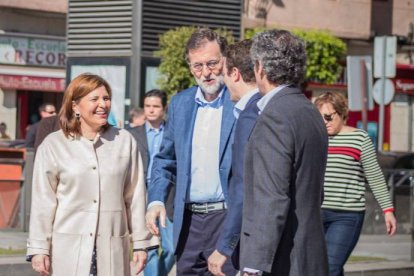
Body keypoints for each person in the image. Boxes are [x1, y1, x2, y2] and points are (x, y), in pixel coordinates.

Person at [27, 73, 158, 276]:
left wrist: (141, 243)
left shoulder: (124, 141)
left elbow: (135, 196)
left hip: (111, 246)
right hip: (67, 249)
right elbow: (43, 202)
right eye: (94, 99)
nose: (103, 104)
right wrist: (39, 249)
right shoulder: (54, 145)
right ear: (75, 106)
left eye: (106, 98)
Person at [145, 28, 237, 275]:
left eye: (212, 63)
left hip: (226, 219)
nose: (205, 73)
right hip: (188, 222)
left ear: (225, 61)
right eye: (197, 66)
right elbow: (165, 159)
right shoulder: (180, 103)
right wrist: (156, 199)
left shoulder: (239, 101)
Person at [240, 29, 329, 275]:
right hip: (309, 254)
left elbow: (272, 197)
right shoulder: (309, 111)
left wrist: (253, 266)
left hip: (282, 259)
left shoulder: (275, 116)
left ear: (260, 67)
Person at [314, 91, 397, 276]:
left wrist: (388, 210)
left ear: (342, 114)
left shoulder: (359, 139)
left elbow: (374, 176)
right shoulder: (316, 138)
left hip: (346, 215)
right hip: (315, 214)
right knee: (320, 267)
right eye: (320, 118)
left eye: (329, 117)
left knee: (330, 267)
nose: (324, 122)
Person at [207, 39, 260, 276]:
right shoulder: (287, 107)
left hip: (255, 241)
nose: (223, 81)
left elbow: (243, 187)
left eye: (224, 74)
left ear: (235, 73)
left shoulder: (250, 115)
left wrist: (225, 246)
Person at [128, 89, 175, 276]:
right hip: (141, 194)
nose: (151, 110)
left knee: (171, 247)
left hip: (167, 194)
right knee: (150, 248)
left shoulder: (173, 132)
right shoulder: (132, 134)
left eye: (156, 106)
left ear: (164, 109)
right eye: (147, 106)